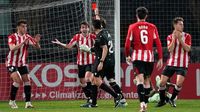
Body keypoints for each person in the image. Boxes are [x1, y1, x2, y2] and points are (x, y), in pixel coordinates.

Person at [125, 7, 163, 112]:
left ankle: (142, 105)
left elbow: (127, 45)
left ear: (136, 15)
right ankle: (145, 105)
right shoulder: (152, 27)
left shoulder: (132, 27)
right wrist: (160, 57)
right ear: (146, 16)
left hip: (138, 57)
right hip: (149, 58)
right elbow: (158, 43)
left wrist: (127, 55)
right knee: (146, 82)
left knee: (139, 81)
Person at [51, 21, 98, 107]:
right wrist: (60, 43)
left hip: (91, 62)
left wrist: (93, 52)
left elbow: (98, 47)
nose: (84, 29)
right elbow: (69, 46)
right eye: (82, 27)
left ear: (88, 28)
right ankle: (89, 98)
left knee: (87, 78)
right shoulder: (77, 37)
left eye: (86, 27)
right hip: (80, 63)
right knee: (82, 82)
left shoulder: (92, 37)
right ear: (80, 29)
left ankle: (93, 100)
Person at [80, 19, 122, 107]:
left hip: (102, 60)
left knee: (96, 80)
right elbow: (98, 49)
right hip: (109, 60)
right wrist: (89, 49)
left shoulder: (100, 36)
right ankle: (93, 103)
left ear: (93, 27)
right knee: (93, 79)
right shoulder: (105, 32)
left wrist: (101, 62)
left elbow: (105, 48)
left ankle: (116, 96)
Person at [156, 17, 192, 107]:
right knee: (161, 83)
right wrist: (173, 39)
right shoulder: (169, 37)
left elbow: (188, 49)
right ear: (175, 25)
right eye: (180, 24)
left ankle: (172, 99)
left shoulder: (187, 36)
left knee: (179, 83)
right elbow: (170, 49)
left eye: (182, 24)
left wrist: (180, 40)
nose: (182, 26)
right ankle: (162, 100)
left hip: (182, 64)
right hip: (171, 63)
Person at [6, 19, 41, 108]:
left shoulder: (28, 37)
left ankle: (28, 103)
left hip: (22, 63)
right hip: (11, 62)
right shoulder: (12, 37)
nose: (25, 28)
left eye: (26, 26)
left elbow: (38, 48)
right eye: (23, 26)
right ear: (18, 27)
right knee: (18, 80)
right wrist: (22, 42)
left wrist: (37, 42)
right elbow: (12, 48)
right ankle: (12, 101)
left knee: (27, 81)